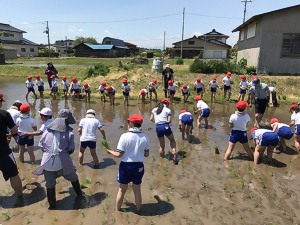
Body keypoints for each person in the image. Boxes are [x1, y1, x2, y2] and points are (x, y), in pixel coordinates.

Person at [33, 109, 82, 210]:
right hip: (63, 162)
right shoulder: (69, 133)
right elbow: (71, 149)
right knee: (73, 177)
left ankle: (52, 206)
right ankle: (79, 195)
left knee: (50, 184)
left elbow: (41, 146)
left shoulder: (46, 130)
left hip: (47, 162)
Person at [106, 114, 149, 213]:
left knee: (122, 189)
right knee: (137, 190)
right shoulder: (145, 137)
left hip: (126, 166)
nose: (127, 123)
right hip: (139, 166)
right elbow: (146, 154)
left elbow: (119, 154)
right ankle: (138, 211)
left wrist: (110, 151)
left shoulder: (124, 136)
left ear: (131, 123)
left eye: (128, 122)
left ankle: (118, 211)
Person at [0, 93, 23, 198]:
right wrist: (18, 141)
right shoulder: (4, 114)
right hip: (3, 151)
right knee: (13, 174)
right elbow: (14, 130)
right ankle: (20, 196)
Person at [150, 98, 177, 164]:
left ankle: (162, 161)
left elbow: (151, 119)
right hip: (165, 126)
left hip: (158, 127)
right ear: (167, 103)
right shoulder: (168, 110)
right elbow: (169, 121)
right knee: (172, 140)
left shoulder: (154, 109)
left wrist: (157, 122)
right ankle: (174, 154)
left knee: (162, 146)